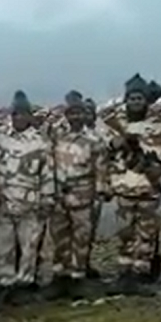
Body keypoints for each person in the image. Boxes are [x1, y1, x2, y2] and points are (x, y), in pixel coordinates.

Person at [100, 74, 161, 296]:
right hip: (124, 188)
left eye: (140, 98)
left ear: (147, 100)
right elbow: (106, 146)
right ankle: (124, 274)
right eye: (132, 98)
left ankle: (141, 276)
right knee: (125, 235)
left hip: (149, 189)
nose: (136, 102)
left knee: (146, 237)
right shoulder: (118, 123)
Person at [0, 90, 54, 305]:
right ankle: (5, 282)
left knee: (29, 246)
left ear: (30, 116)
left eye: (23, 114)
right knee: (4, 246)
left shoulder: (40, 142)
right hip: (4, 201)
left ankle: (25, 283)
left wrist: (47, 199)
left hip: (31, 202)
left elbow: (47, 173)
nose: (19, 118)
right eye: (15, 114)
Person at [47, 91, 106, 300]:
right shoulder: (57, 136)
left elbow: (100, 169)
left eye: (79, 113)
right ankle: (59, 276)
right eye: (71, 113)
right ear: (67, 115)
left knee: (81, 238)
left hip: (83, 195)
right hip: (59, 195)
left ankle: (77, 276)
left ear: (85, 115)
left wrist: (99, 192)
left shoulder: (94, 140)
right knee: (60, 237)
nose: (75, 117)